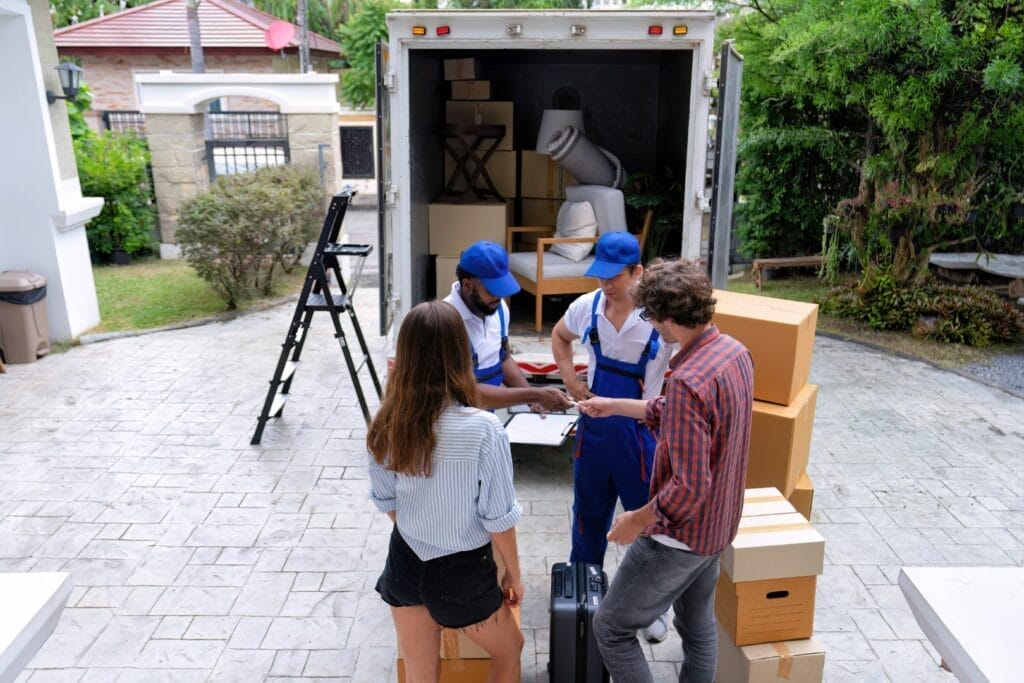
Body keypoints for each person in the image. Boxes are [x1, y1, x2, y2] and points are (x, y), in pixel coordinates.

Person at [578, 259, 754, 683]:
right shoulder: (734, 352)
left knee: (611, 628)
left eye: (652, 317)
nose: (652, 326)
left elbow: (689, 489)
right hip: (718, 529)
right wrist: (616, 405)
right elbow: (681, 414)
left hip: (680, 539)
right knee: (696, 626)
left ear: (670, 320)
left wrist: (636, 520)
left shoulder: (687, 380)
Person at [368, 301, 525, 683]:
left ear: (405, 355)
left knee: (421, 673)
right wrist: (514, 575)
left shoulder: (386, 422)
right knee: (510, 650)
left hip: (405, 562)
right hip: (463, 572)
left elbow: (389, 503)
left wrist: (424, 524)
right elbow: (498, 518)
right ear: (460, 354)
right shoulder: (484, 429)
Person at [549, 231, 676, 642]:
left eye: (614, 276)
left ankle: (650, 609)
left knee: (646, 525)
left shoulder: (661, 317)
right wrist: (571, 380)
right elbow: (558, 337)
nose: (605, 284)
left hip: (640, 438)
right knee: (587, 518)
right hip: (593, 434)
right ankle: (584, 596)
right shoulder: (586, 309)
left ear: (637, 272)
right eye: (599, 274)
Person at [444, 240, 573, 413]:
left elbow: (503, 357)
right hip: (454, 420)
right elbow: (466, 391)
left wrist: (532, 401)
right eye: (492, 290)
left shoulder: (499, 309)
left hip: (486, 413)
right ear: (467, 285)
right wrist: (534, 395)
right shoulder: (446, 321)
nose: (498, 297)